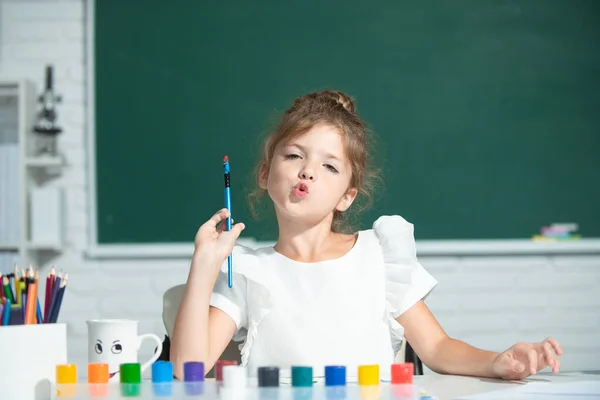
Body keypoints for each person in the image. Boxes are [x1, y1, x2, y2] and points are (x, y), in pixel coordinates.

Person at [170, 90, 562, 381]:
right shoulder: (248, 270)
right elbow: (188, 370)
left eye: (329, 166)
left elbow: (438, 349)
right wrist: (204, 266)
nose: (307, 171)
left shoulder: (378, 256)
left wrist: (498, 361)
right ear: (263, 174)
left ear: (347, 196)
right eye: (293, 156)